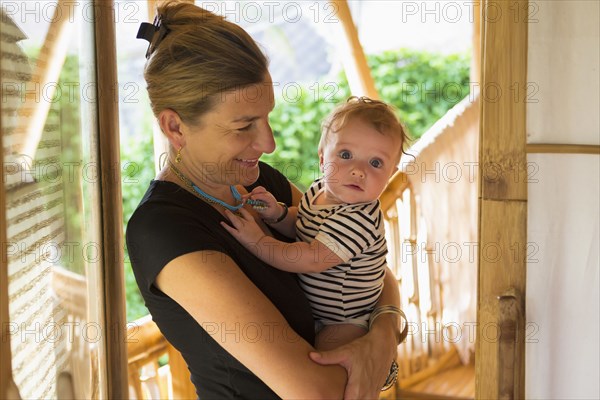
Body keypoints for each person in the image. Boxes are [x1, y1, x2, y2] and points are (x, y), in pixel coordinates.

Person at [126, 1, 404, 399]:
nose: (268, 143)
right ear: (175, 126)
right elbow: (318, 393)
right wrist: (381, 342)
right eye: (244, 126)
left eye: (267, 117)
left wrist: (380, 339)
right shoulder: (166, 231)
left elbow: (368, 268)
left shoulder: (260, 183)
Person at [223, 97, 409, 351]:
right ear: (322, 159)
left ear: (391, 173)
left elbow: (309, 257)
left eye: (376, 162)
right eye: (345, 155)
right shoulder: (319, 190)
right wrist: (276, 214)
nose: (358, 170)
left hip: (347, 321)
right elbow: (302, 226)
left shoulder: (358, 218)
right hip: (323, 315)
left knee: (325, 362)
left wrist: (257, 241)